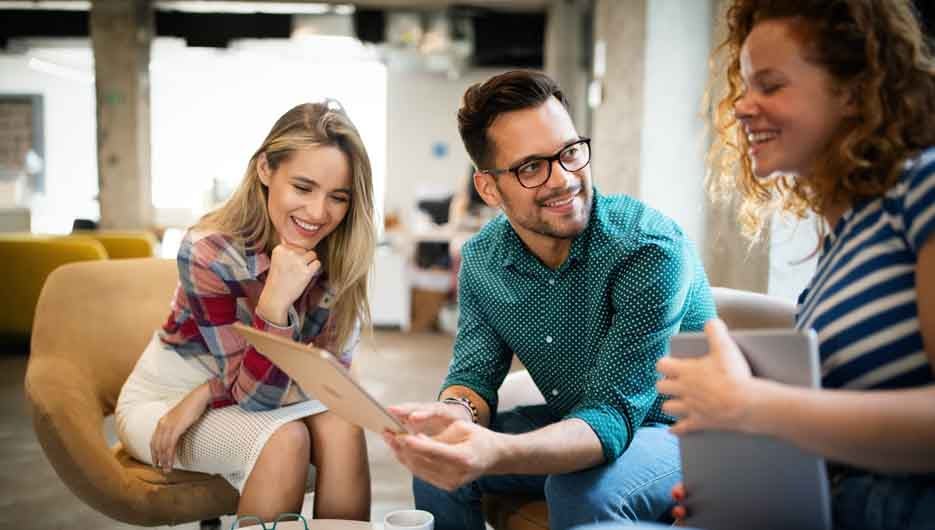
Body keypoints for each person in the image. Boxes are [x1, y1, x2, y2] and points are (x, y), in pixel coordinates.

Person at [382, 70, 717, 530]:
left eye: (570, 152)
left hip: (683, 436)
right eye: (531, 167)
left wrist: (496, 451)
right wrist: (455, 414)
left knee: (575, 486)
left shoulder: (648, 247)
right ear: (488, 188)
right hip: (578, 421)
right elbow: (474, 375)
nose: (563, 179)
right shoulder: (483, 259)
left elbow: (611, 417)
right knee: (440, 469)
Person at [653, 1, 935, 529]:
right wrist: (749, 483)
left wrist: (746, 403)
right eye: (745, 85)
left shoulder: (924, 188)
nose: (741, 106)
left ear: (854, 90)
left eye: (771, 85)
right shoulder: (848, 239)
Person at [115, 101, 377, 522]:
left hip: (224, 395)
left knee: (342, 424)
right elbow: (258, 397)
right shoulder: (209, 251)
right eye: (304, 187)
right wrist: (274, 303)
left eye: (338, 198)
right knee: (285, 440)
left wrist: (207, 393)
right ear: (265, 170)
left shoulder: (342, 252)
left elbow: (332, 377)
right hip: (165, 401)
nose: (317, 213)